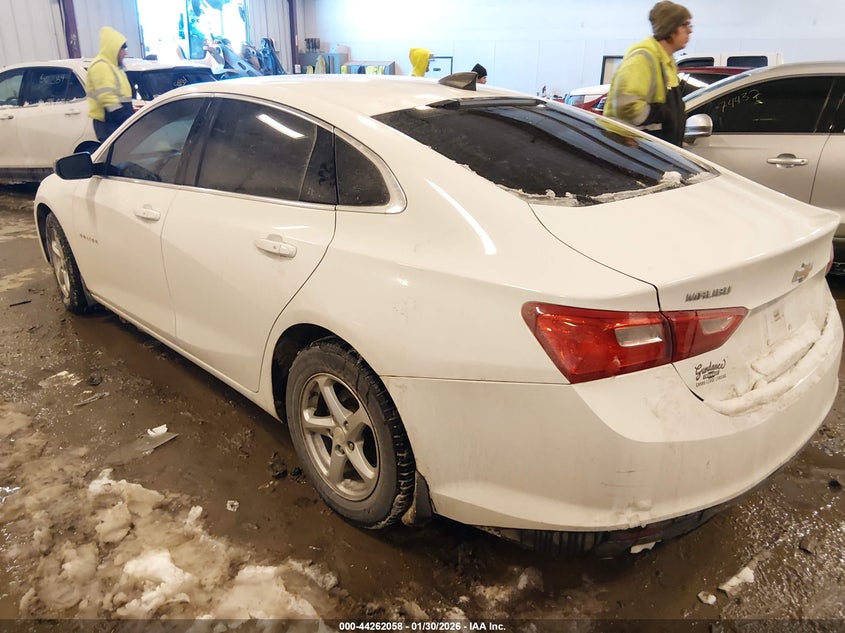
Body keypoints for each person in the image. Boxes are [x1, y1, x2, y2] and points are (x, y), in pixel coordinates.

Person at [604, 1, 692, 146]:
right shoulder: (642, 59)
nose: (690, 31)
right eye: (684, 25)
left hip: (657, 151)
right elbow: (625, 105)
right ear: (670, 28)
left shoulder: (666, 61)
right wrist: (663, 115)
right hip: (635, 153)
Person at [85, 26, 134, 142]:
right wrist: (126, 119)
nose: (125, 53)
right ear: (114, 48)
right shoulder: (101, 66)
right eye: (123, 49)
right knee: (117, 155)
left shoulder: (115, 67)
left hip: (118, 120)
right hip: (110, 122)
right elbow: (108, 100)